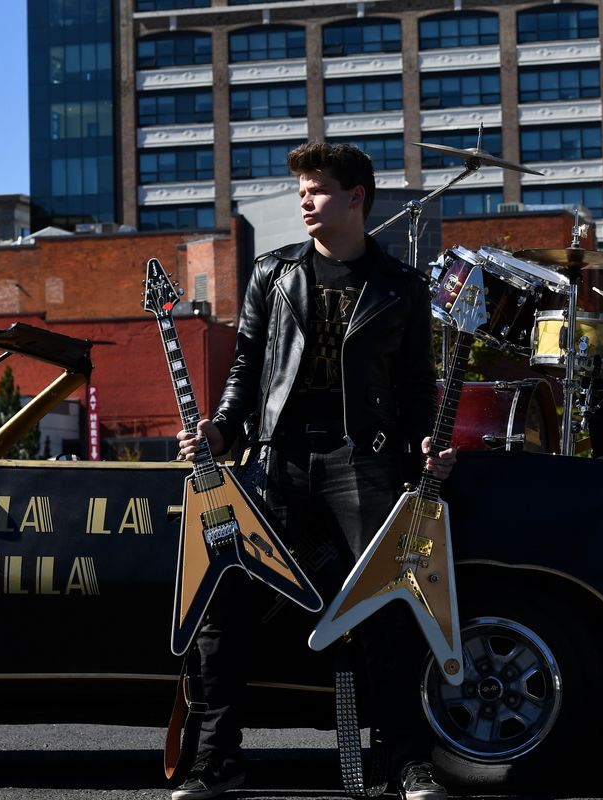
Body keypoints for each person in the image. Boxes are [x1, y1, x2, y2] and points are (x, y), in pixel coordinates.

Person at [173, 141, 457, 800]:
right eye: (300, 190)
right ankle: (217, 761)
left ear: (356, 198)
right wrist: (219, 427)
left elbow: (417, 387)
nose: (304, 200)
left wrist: (426, 443)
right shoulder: (273, 274)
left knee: (394, 598)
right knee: (223, 593)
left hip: (365, 459)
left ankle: (406, 762)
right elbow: (246, 368)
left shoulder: (403, 287)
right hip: (279, 455)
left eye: (318, 190)